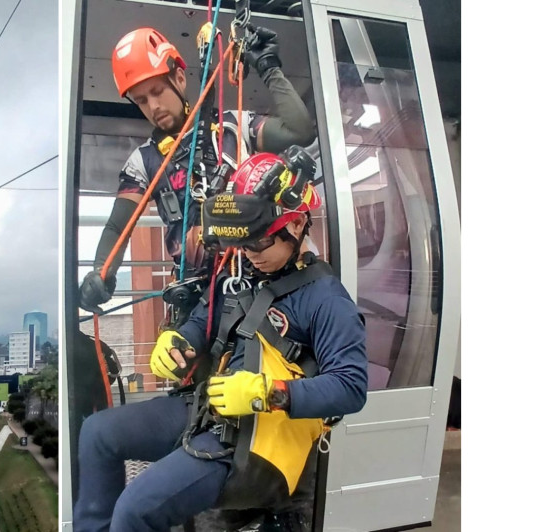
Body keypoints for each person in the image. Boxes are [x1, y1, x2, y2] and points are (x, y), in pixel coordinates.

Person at [73, 150, 368, 531]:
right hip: (210, 408)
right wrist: (178, 340)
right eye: (242, 244)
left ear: (296, 225)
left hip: (258, 437)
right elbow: (204, 320)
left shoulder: (326, 299)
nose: (249, 254)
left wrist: (268, 392)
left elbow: (351, 387)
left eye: (258, 243)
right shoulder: (241, 276)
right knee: (97, 434)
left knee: (135, 508)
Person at [79, 25, 316, 319]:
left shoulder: (234, 127)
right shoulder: (143, 161)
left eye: (157, 91)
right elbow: (118, 226)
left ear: (179, 78)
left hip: (255, 285)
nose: (153, 106)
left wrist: (268, 67)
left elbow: (300, 131)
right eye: (141, 100)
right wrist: (101, 272)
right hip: (194, 301)